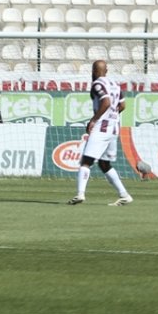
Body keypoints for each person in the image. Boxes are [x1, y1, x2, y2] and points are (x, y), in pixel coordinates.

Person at [68, 60, 133, 206]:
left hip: (102, 129)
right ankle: (124, 195)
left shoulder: (97, 84)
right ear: (106, 70)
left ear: (95, 71)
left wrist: (94, 119)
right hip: (114, 128)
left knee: (86, 162)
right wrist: (112, 116)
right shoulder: (116, 85)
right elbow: (122, 105)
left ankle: (80, 194)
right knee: (104, 163)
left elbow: (106, 102)